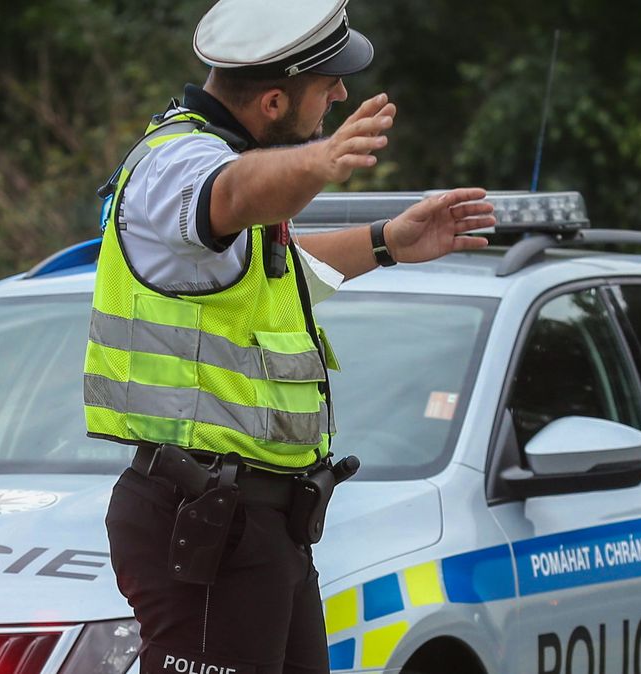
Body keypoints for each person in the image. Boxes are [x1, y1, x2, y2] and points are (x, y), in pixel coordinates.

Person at [84, 0, 496, 671]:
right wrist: (321, 161)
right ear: (274, 101)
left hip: (258, 525)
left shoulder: (224, 160)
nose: (340, 92)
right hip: (209, 519)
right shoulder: (177, 162)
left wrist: (390, 243)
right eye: (328, 82)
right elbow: (233, 194)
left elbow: (283, 275)